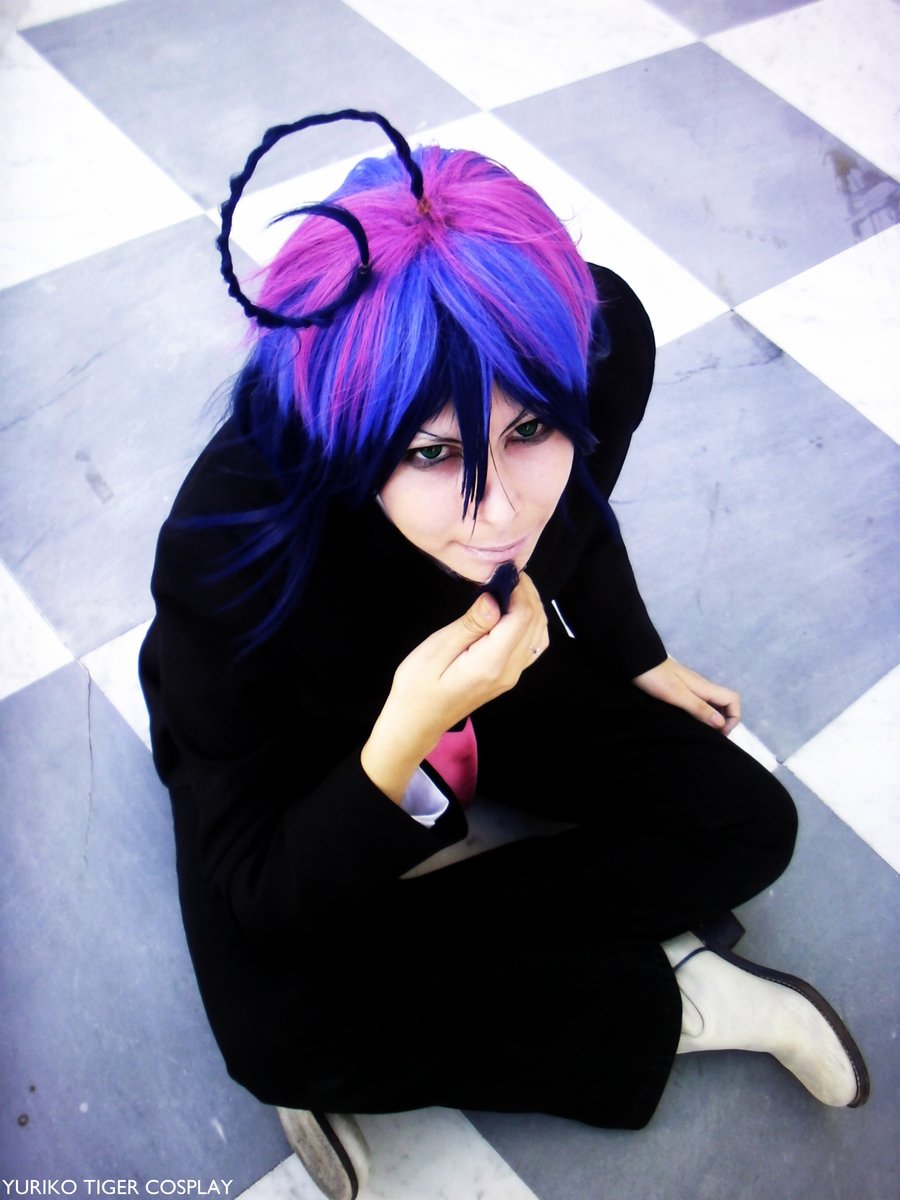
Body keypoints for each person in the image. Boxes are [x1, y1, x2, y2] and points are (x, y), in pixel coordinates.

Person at [139, 110, 868, 1200]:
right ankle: (674, 1004)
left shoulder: (596, 342)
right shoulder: (228, 545)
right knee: (277, 1034)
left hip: (496, 661)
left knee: (748, 823)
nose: (498, 510)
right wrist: (400, 742)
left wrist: (631, 651)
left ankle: (381, 977)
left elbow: (574, 516)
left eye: (530, 429)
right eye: (431, 452)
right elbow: (259, 888)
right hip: (307, 723)